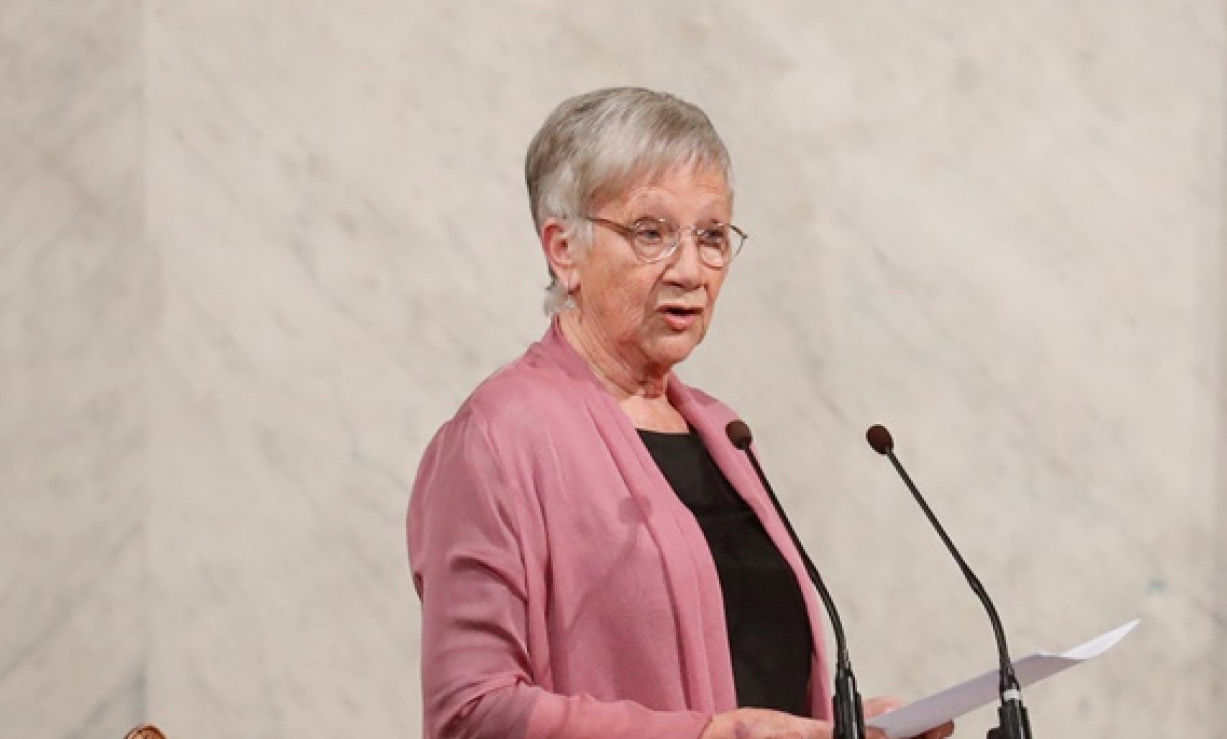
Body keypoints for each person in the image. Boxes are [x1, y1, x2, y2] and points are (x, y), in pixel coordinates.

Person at [406, 87, 954, 739]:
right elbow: (471, 712)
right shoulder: (499, 436)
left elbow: (740, 687)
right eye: (651, 233)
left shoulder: (725, 433)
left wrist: (839, 729)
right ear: (564, 249)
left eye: (712, 235)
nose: (690, 269)